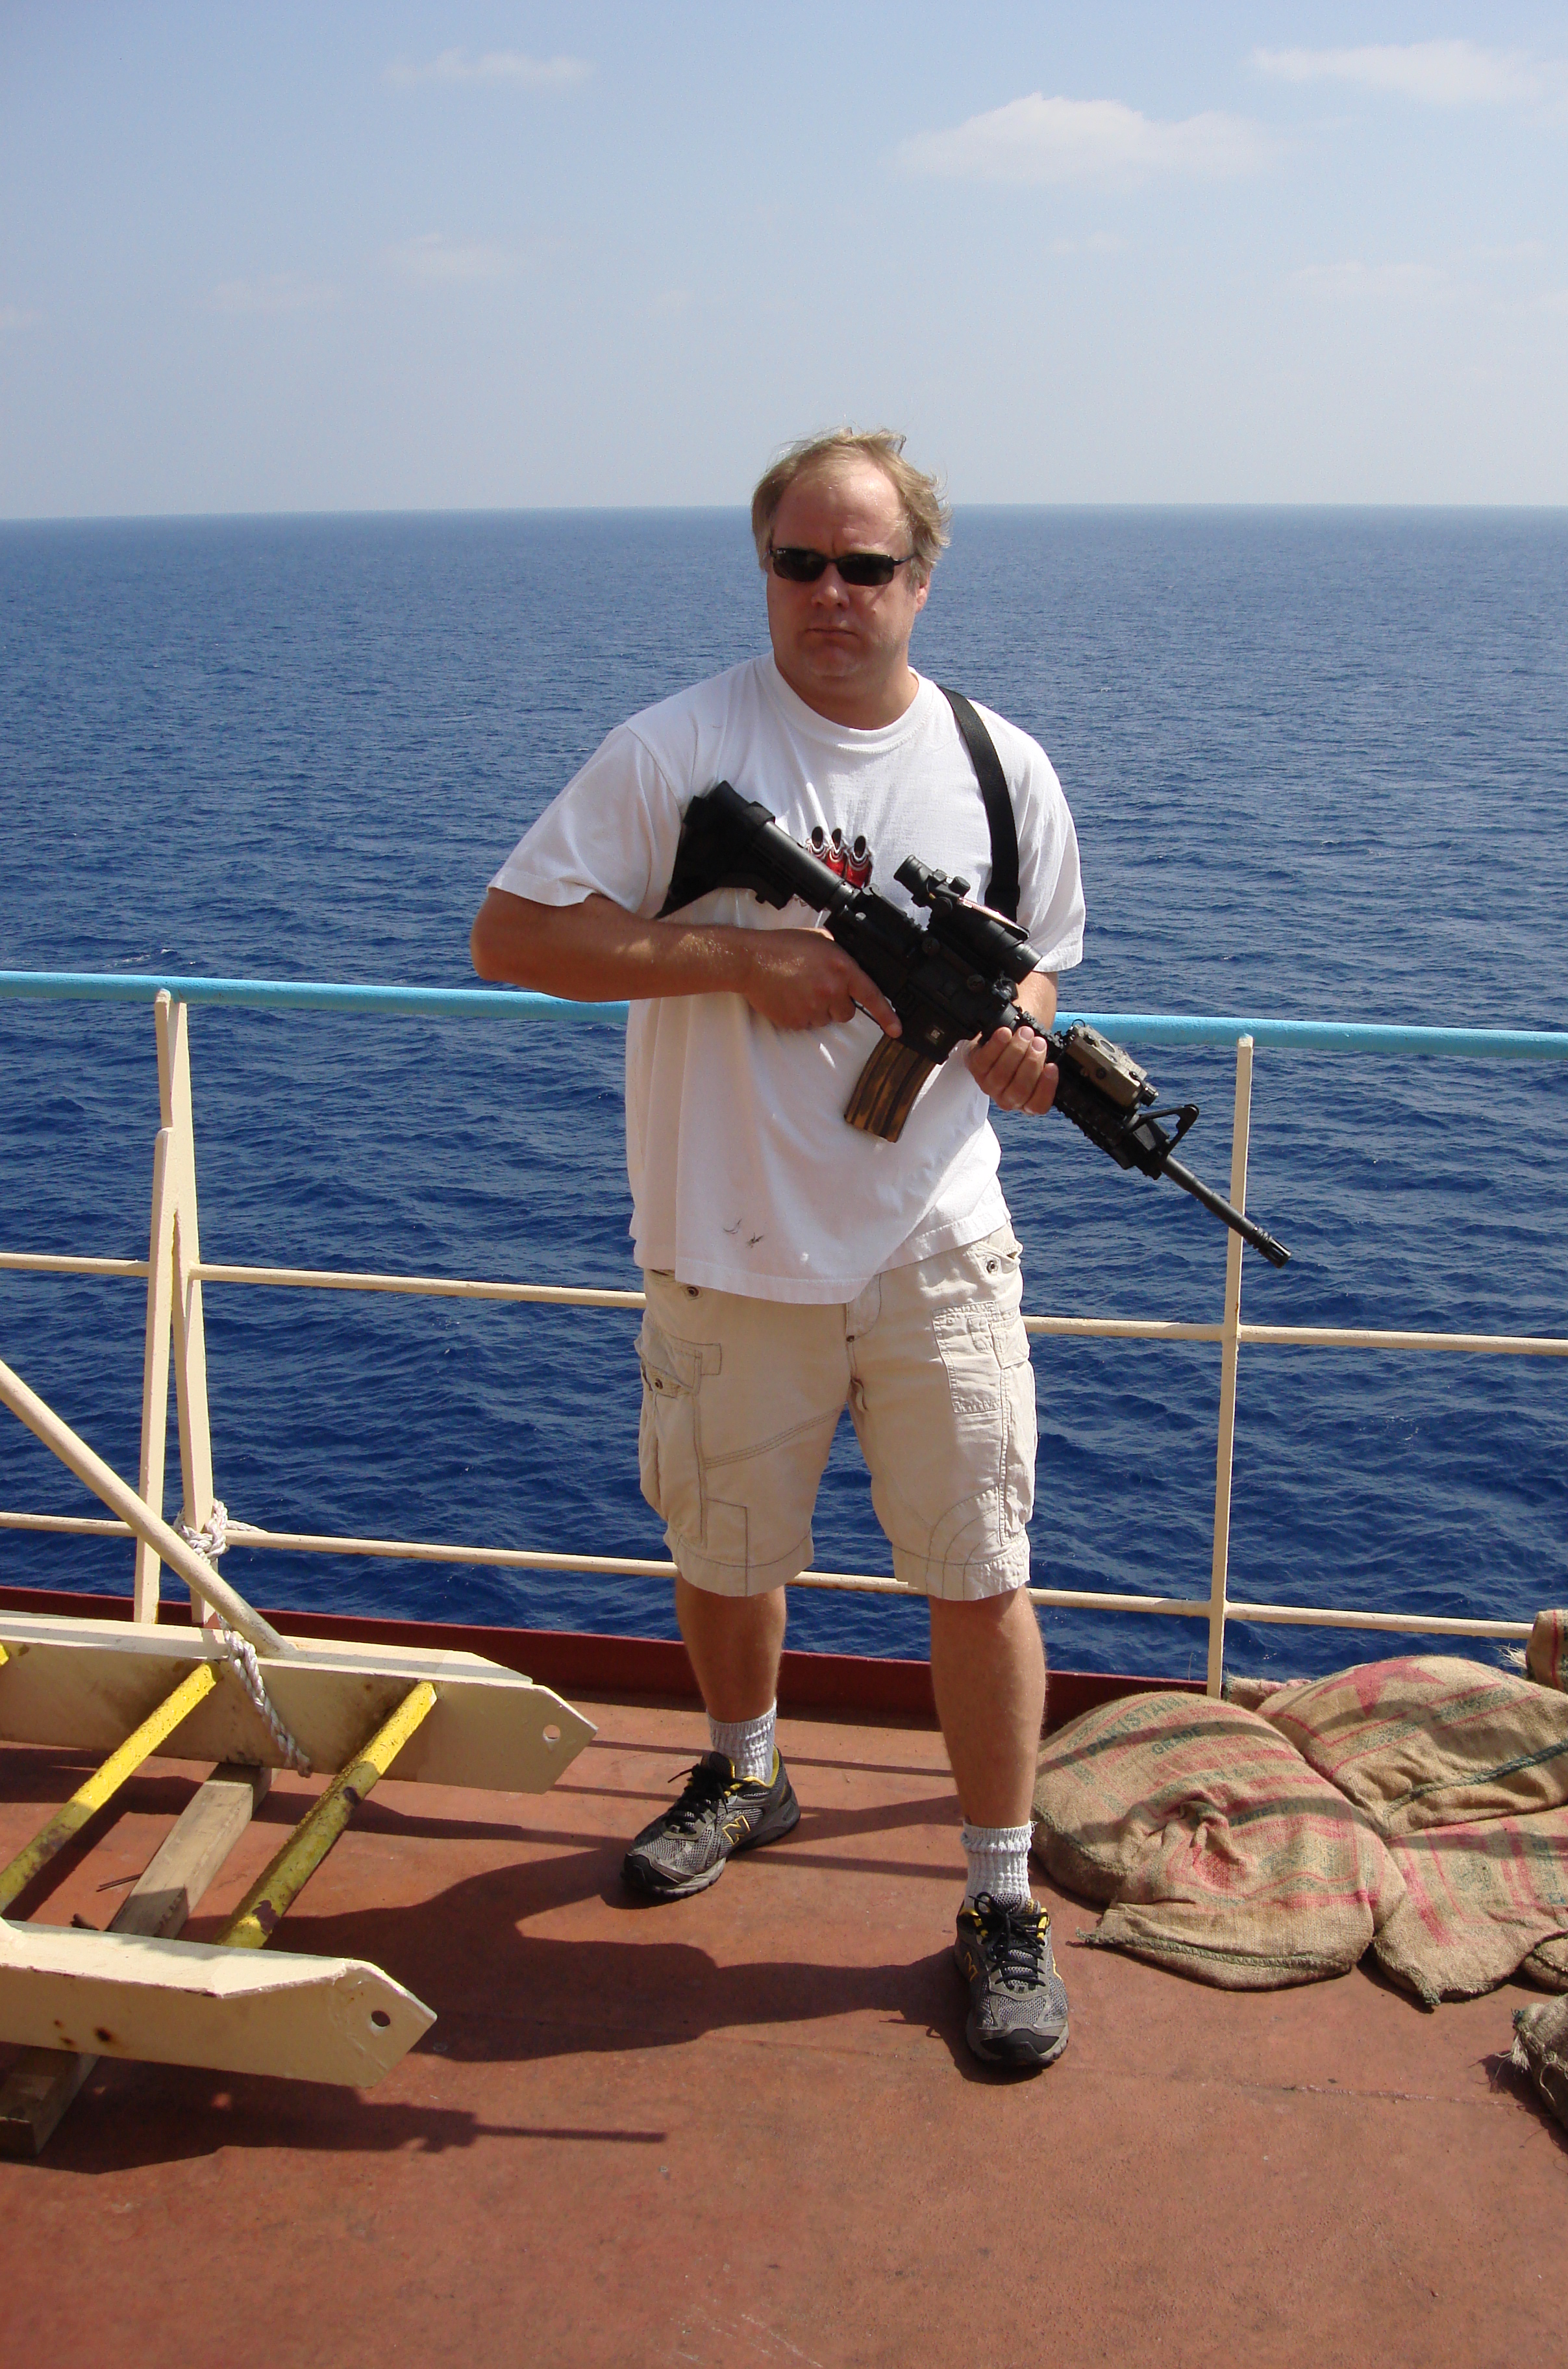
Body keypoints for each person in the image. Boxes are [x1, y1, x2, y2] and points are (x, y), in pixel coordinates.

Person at [470, 429, 1085, 2070]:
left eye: (863, 566)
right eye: (798, 563)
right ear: (766, 573)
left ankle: (998, 1897)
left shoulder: (1000, 764)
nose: (829, 595)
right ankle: (748, 1767)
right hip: (728, 1240)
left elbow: (1039, 967)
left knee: (982, 1570)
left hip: (939, 1245)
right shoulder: (679, 752)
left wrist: (1023, 1041)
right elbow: (512, 935)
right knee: (730, 1545)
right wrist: (736, 965)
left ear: (920, 582)